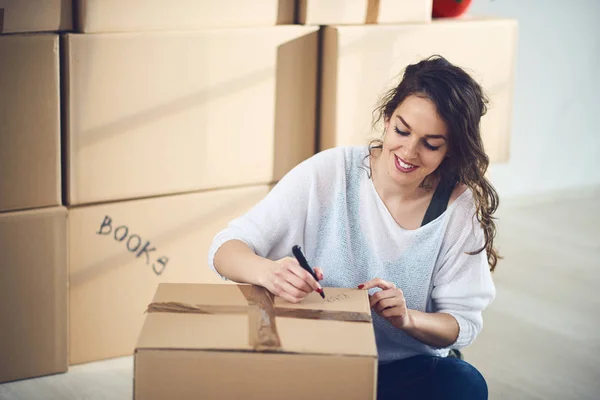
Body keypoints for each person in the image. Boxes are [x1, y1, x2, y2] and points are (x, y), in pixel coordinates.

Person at [208, 55, 498, 400]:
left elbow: (461, 324)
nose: (408, 151)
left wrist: (408, 319)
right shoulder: (331, 172)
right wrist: (268, 272)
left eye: (431, 144)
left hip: (401, 372)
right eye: (401, 131)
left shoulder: (458, 208)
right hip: (318, 363)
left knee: (463, 383)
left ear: (450, 150)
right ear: (387, 119)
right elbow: (225, 248)